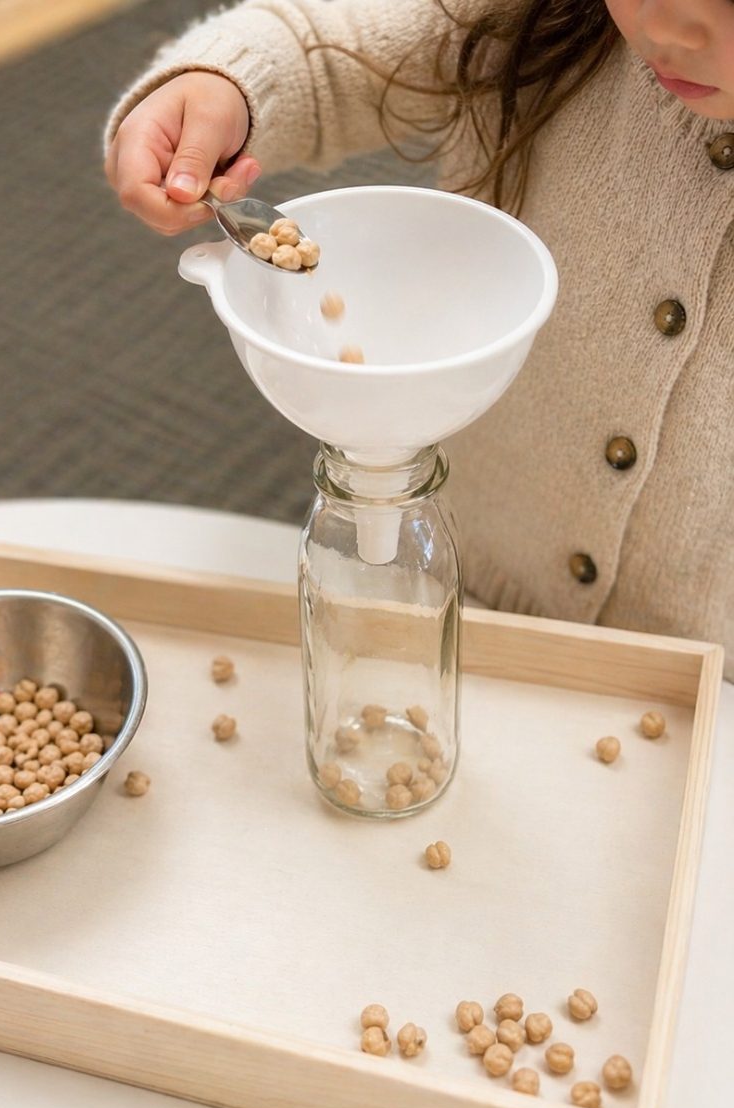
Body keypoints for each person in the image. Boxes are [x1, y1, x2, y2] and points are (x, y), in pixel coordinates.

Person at [105, 0, 734, 677]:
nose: (668, 26)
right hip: (473, 580)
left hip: (710, 671)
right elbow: (331, 50)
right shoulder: (531, 15)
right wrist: (222, 85)